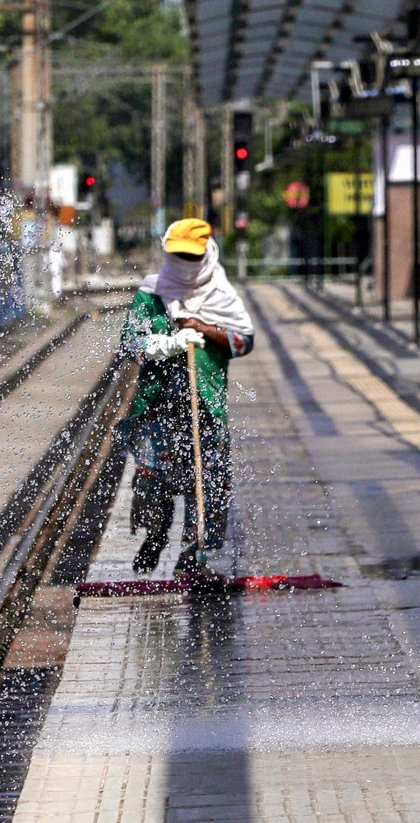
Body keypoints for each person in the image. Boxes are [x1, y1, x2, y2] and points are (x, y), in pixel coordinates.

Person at [122, 218, 255, 578]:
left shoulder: (221, 295)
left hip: (205, 407)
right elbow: (130, 342)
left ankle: (192, 557)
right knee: (154, 481)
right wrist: (165, 344)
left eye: (190, 256)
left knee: (207, 484)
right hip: (157, 407)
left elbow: (244, 340)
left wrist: (205, 330)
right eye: (177, 254)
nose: (183, 261)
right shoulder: (151, 294)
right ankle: (154, 535)